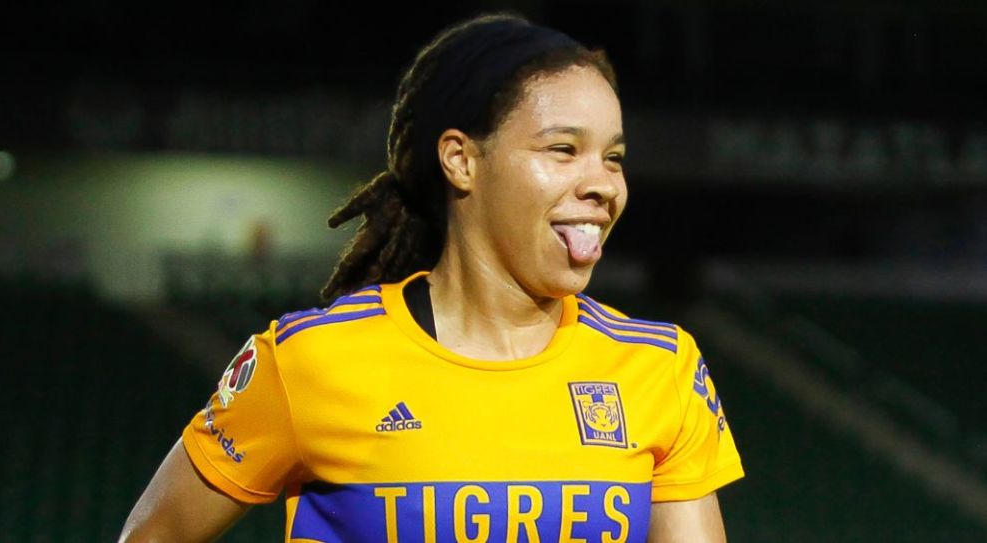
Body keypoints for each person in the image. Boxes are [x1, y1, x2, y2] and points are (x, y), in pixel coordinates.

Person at [120, 11, 743, 543]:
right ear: (461, 160)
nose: (603, 184)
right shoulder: (310, 361)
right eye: (563, 150)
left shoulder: (660, 370)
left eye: (613, 157)